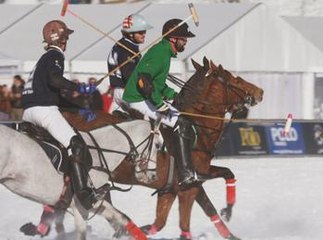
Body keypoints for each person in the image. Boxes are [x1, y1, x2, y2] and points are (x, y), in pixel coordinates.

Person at [21, 20, 107, 212]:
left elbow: (54, 93)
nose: (67, 41)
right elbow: (55, 80)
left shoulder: (43, 59)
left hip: (29, 112)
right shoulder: (54, 55)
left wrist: (79, 109)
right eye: (65, 37)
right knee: (76, 145)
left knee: (57, 150)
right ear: (59, 38)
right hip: (44, 111)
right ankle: (85, 195)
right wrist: (79, 87)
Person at [123, 18, 200, 189]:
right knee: (180, 123)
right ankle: (185, 173)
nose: (185, 41)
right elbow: (144, 81)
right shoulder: (160, 52)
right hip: (137, 99)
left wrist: (176, 96)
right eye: (183, 38)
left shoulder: (165, 53)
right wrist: (159, 104)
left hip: (144, 97)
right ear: (173, 38)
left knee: (182, 118)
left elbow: (158, 84)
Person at [107, 14, 152, 113]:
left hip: (122, 90)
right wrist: (149, 90)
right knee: (162, 115)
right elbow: (130, 75)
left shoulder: (128, 46)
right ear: (130, 34)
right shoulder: (125, 49)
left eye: (144, 31)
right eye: (140, 32)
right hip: (125, 91)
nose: (144, 34)